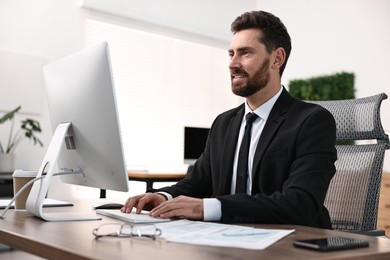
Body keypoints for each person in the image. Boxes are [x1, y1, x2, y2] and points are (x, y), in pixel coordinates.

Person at [122, 10, 337, 229]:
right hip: (227, 239)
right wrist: (164, 197)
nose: (233, 63)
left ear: (277, 58)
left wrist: (206, 208)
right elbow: (196, 183)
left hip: (291, 244)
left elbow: (300, 205)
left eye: (245, 53)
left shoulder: (312, 121)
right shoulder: (223, 124)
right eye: (231, 54)